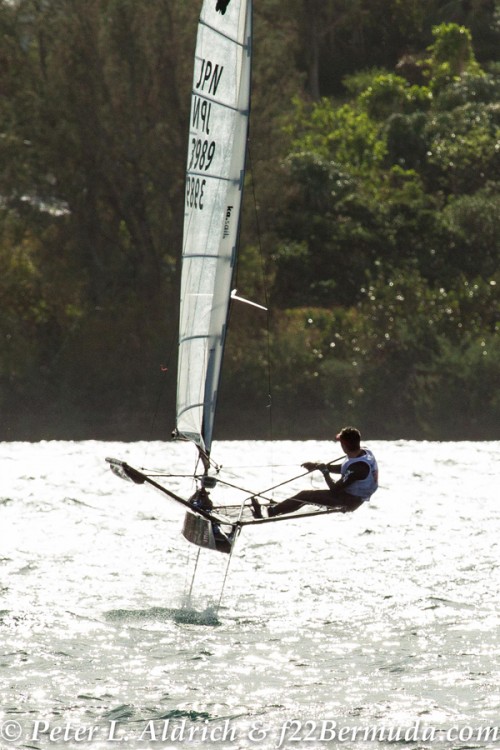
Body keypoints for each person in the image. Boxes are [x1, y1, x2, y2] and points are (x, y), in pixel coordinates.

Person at [251, 426, 378, 518]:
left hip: (350, 501)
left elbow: (335, 489)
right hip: (349, 495)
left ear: (344, 445)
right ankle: (277, 509)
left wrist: (325, 472)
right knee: (305, 497)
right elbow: (345, 469)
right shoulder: (363, 452)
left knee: (304, 495)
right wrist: (318, 466)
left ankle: (269, 512)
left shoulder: (359, 468)